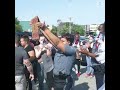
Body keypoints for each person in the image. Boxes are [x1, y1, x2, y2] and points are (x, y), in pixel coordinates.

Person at [36, 22, 76, 90]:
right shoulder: (61, 49)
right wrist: (42, 29)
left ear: (69, 42)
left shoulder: (71, 49)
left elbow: (57, 42)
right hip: (57, 79)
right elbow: (51, 40)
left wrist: (44, 27)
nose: (61, 42)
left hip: (64, 80)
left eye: (63, 41)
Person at [80, 23, 105, 90]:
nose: (100, 31)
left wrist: (87, 53)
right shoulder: (100, 35)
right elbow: (94, 42)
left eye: (101, 29)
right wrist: (86, 46)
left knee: (100, 85)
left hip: (100, 64)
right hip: (97, 63)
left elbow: (99, 56)